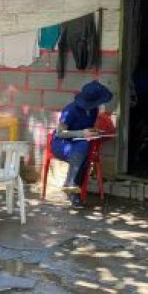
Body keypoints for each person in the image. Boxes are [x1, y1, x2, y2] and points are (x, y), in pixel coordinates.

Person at [50, 80, 113, 208]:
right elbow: (60, 133)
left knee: (85, 152)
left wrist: (93, 132)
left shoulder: (93, 110)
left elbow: (87, 130)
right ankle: (72, 189)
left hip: (79, 143)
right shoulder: (70, 110)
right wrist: (81, 133)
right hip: (62, 143)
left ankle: (71, 187)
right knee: (83, 150)